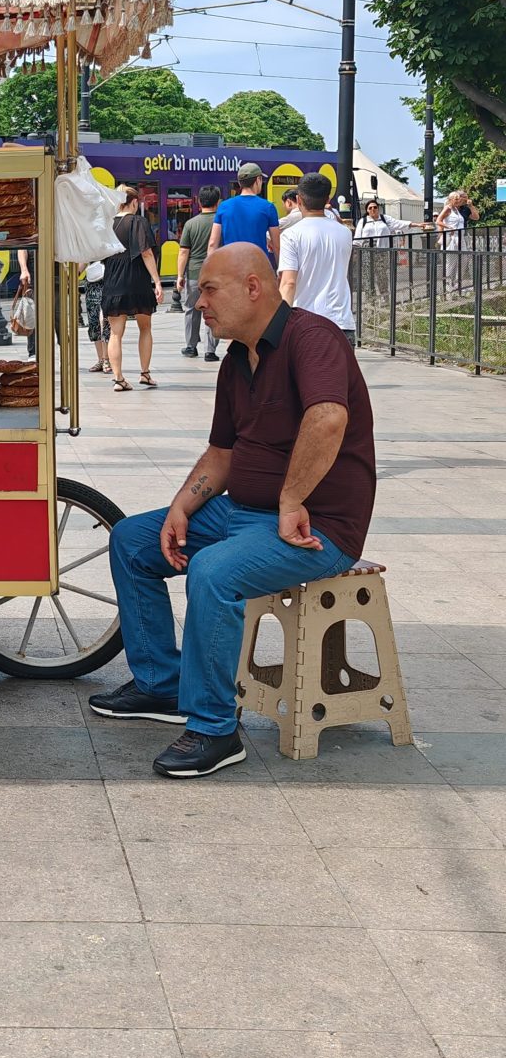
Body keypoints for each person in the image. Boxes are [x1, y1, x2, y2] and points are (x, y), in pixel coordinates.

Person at [89, 242, 374, 777]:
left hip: (315, 527)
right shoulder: (237, 360)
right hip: (240, 512)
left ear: (253, 288)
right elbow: (222, 453)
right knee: (132, 540)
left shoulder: (312, 337)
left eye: (209, 289)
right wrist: (181, 507)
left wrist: (291, 499)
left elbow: (328, 417)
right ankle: (162, 685)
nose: (199, 302)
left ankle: (215, 728)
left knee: (212, 571)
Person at [277, 171, 356, 346]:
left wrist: (279, 326)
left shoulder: (291, 235)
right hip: (341, 324)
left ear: (298, 200)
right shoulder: (344, 233)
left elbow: (288, 283)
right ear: (328, 200)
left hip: (305, 326)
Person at [100, 186, 163, 391]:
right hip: (137, 280)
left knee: (115, 333)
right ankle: (145, 373)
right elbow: (146, 253)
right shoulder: (138, 222)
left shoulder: (108, 224)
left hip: (113, 280)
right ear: (134, 202)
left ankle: (119, 379)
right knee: (145, 328)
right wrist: (157, 281)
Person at [176, 185, 220, 361]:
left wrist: (180, 276)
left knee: (191, 309)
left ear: (199, 202)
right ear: (217, 202)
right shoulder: (221, 222)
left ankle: (191, 346)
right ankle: (210, 351)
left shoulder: (190, 224)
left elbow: (183, 252)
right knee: (213, 309)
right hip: (216, 274)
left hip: (194, 274)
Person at [208, 162, 280, 266]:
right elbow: (276, 246)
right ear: (258, 180)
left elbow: (212, 243)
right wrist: (281, 270)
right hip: (258, 266)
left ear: (239, 182)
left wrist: (210, 270)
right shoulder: (268, 207)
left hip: (231, 266)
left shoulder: (223, 206)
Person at [436, 189, 480, 288]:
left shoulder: (458, 209)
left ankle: (457, 283)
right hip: (451, 237)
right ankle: (448, 286)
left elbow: (476, 217)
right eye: (456, 199)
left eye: (458, 199)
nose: (458, 201)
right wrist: (447, 228)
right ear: (451, 199)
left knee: (464, 259)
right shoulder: (448, 208)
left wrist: (471, 206)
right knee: (451, 262)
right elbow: (438, 221)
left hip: (460, 237)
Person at [353, 197, 425, 247]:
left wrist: (418, 224)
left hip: (383, 251)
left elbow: (399, 223)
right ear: (367, 210)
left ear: (378, 208)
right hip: (367, 252)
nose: (373, 209)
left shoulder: (385, 218)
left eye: (375, 207)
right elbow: (357, 237)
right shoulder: (363, 221)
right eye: (370, 208)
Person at [83, 259, 107, 372]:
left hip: (109, 279)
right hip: (92, 282)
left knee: (105, 321)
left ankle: (107, 359)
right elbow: (84, 257)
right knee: (94, 322)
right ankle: (101, 359)